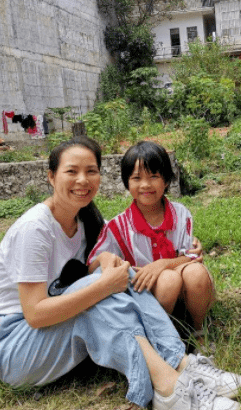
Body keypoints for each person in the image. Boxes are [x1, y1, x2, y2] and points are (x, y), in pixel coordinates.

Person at [0, 136, 241, 410]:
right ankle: (171, 387)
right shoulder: (35, 229)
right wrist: (104, 285)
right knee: (101, 289)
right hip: (15, 349)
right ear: (51, 177)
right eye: (71, 171)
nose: (82, 180)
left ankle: (182, 365)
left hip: (54, 335)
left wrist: (110, 261)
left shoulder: (86, 220)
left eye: (91, 171)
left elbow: (109, 250)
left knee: (118, 273)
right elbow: (35, 314)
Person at [88, 141, 215, 344]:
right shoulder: (117, 226)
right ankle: (160, 338)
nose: (145, 185)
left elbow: (192, 255)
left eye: (154, 176)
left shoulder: (180, 214)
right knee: (168, 281)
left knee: (196, 272)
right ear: (127, 183)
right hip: (143, 294)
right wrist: (110, 261)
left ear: (166, 180)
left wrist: (163, 264)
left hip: (181, 287)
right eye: (137, 178)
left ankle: (199, 331)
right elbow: (92, 264)